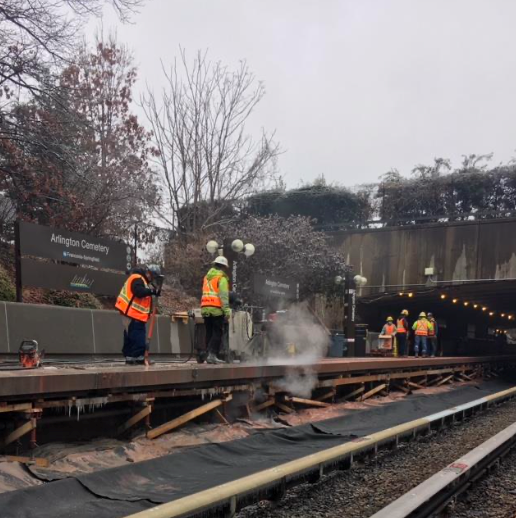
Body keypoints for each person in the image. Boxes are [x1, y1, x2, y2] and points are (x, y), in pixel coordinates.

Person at [115, 264, 161, 365]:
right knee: (138, 335)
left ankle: (130, 357)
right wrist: (152, 291)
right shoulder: (138, 278)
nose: (153, 279)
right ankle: (139, 357)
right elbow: (138, 292)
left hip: (131, 313)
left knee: (131, 335)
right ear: (149, 274)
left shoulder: (141, 279)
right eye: (153, 277)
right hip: (132, 313)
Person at [201, 256, 231, 364]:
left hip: (205, 308)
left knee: (209, 332)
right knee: (217, 332)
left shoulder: (207, 277)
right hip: (216, 309)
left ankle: (207, 354)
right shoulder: (221, 278)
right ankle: (212, 355)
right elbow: (223, 296)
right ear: (223, 266)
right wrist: (227, 311)